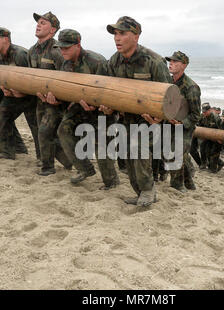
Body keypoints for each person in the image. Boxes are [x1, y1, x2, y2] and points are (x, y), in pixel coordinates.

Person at [101, 16, 172, 208]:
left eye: (122, 33)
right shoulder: (114, 61)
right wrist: (108, 107)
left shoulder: (154, 61)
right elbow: (110, 91)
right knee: (127, 157)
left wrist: (160, 118)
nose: (117, 38)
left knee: (139, 152)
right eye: (115, 34)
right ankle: (140, 192)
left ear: (136, 36)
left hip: (150, 120)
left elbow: (171, 95)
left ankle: (148, 191)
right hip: (126, 118)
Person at [54, 29, 119, 189]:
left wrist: (98, 105)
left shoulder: (97, 62)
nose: (63, 51)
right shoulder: (65, 64)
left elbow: (112, 90)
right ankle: (85, 169)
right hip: (80, 106)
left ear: (78, 45)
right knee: (64, 130)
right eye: (60, 48)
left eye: (66, 48)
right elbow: (68, 88)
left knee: (101, 147)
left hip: (103, 110)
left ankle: (111, 182)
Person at [0, 27, 39, 161]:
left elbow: (33, 80)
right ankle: (6, 152)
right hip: (11, 95)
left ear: (6, 39)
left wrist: (23, 94)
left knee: (35, 125)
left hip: (30, 96)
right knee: (1, 115)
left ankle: (42, 158)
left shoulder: (20, 54)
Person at [29, 12, 72, 175]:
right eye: (38, 22)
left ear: (53, 29)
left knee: (45, 132)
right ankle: (68, 161)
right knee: (45, 133)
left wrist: (59, 99)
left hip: (56, 102)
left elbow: (66, 77)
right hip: (39, 100)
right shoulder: (32, 51)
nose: (38, 25)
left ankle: (48, 167)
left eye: (43, 23)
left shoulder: (58, 51)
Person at [163, 51, 201, 192]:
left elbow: (196, 114)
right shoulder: (167, 82)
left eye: (175, 62)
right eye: (170, 61)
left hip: (184, 128)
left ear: (184, 65)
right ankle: (189, 182)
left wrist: (182, 123)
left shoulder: (191, 87)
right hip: (168, 124)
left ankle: (177, 186)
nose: (171, 64)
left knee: (175, 155)